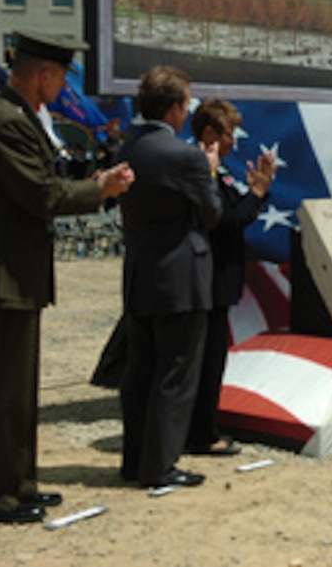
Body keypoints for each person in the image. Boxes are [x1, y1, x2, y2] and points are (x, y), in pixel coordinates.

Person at [0, 31, 134, 524]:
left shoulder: (20, 116)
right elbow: (42, 195)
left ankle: (18, 484)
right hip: (2, 267)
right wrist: (101, 188)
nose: (63, 89)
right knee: (1, 388)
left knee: (19, 385)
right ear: (43, 75)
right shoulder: (4, 121)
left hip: (16, 265)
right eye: (61, 78)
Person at [116, 65, 223, 490]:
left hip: (141, 271)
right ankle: (161, 466)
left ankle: (136, 460)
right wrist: (210, 171)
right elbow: (211, 213)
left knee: (140, 370)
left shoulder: (127, 150)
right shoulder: (186, 156)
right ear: (176, 108)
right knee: (176, 373)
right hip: (181, 275)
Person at [184, 98, 277, 457]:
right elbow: (226, 220)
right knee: (205, 362)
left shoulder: (219, 172)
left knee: (212, 359)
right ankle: (200, 434)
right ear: (209, 133)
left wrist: (257, 192)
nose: (234, 141)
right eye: (228, 133)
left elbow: (236, 212)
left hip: (218, 280)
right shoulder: (200, 170)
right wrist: (255, 195)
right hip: (207, 278)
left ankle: (202, 427)